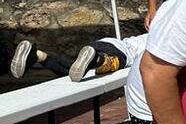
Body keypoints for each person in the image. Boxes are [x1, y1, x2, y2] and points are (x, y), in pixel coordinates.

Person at [10, 35, 143, 82]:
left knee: (74, 70)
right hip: (121, 54)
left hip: (107, 44)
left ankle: (36, 56)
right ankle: (96, 59)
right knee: (108, 63)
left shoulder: (151, 36)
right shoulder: (157, 42)